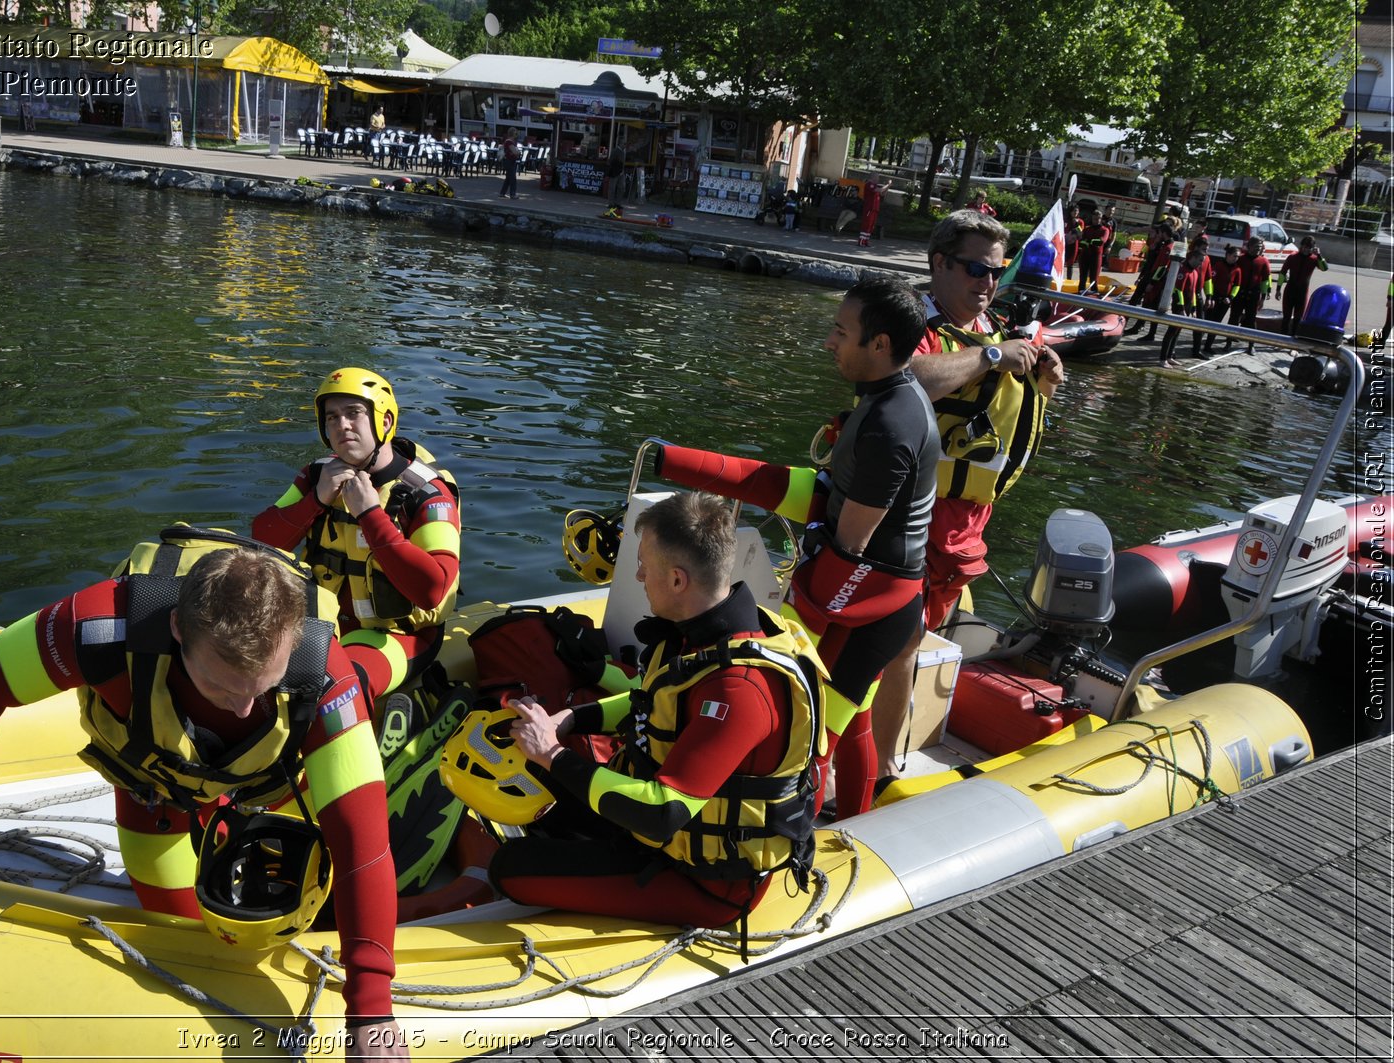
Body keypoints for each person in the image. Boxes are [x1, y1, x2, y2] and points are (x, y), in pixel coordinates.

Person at [0, 531, 408, 1058]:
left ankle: (410, 649)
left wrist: (371, 1010)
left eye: (264, 686)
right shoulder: (100, 626)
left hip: (270, 783)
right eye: (218, 684)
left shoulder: (321, 672)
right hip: (153, 783)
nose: (243, 706)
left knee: (364, 689)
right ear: (178, 629)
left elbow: (363, 847)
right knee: (175, 929)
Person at [651, 276, 939, 816]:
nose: (829, 341)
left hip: (869, 604)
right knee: (851, 724)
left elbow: (849, 544)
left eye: (840, 330)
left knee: (809, 735)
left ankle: (802, 850)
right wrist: (681, 462)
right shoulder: (889, 394)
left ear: (879, 344)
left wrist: (792, 625)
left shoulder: (889, 427)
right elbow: (825, 496)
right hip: (886, 597)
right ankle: (857, 825)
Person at [488, 491, 826, 929]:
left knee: (511, 868)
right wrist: (569, 720)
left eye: (646, 563)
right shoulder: (700, 634)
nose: (639, 573)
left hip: (707, 881)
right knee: (545, 803)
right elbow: (648, 706)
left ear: (678, 581)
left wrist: (553, 753)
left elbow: (663, 813)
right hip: (663, 835)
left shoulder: (738, 689)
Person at [868, 209, 1063, 787]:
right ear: (940, 264)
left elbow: (1017, 422)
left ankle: (891, 745)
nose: (987, 284)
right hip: (905, 519)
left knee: (916, 641)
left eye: (995, 273)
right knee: (891, 647)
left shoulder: (993, 330)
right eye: (976, 269)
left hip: (965, 529)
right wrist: (995, 356)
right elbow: (905, 381)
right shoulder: (915, 327)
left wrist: (1045, 380)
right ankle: (874, 769)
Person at [252, 369, 460, 714]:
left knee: (336, 686)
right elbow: (261, 541)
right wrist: (315, 500)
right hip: (322, 624)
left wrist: (370, 515)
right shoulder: (315, 477)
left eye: (354, 413)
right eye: (331, 417)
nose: (342, 425)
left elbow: (433, 588)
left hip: (398, 635)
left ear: (385, 419)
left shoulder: (428, 494)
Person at [1159, 243, 1207, 368]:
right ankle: (1163, 358)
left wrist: (1194, 308)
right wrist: (1180, 308)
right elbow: (1178, 290)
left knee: (1177, 332)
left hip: (1188, 305)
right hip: (1179, 305)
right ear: (1193, 258)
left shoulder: (1194, 272)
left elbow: (1194, 292)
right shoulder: (1183, 270)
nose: (1201, 264)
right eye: (1200, 260)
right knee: (1171, 331)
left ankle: (1170, 356)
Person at [1226, 236, 1272, 352]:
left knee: (1251, 320)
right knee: (1233, 318)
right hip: (1239, 294)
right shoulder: (1241, 259)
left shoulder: (1263, 261)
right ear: (1249, 246)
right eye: (1256, 246)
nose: (1258, 249)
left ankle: (1251, 345)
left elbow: (1265, 280)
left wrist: (1263, 297)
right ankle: (1228, 342)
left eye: (1260, 247)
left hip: (1254, 295)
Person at [1278, 235, 1328, 335]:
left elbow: (1324, 268)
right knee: (1286, 317)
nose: (1305, 249)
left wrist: (1319, 255)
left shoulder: (1314, 259)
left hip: (1302, 292)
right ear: (1301, 246)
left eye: (1308, 247)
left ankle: (1293, 342)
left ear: (1313, 248)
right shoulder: (1293, 257)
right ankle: (1282, 340)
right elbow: (1283, 272)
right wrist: (1278, 289)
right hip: (1290, 290)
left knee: (1298, 318)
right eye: (1304, 246)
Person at [1199, 245, 1241, 356]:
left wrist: (1231, 297)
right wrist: (1210, 297)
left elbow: (1237, 285)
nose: (1236, 258)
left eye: (1237, 257)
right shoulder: (1218, 265)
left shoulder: (1237, 269)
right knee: (1206, 322)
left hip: (1225, 301)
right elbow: (1211, 281)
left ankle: (1208, 346)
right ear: (1227, 255)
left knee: (1217, 324)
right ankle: (1197, 345)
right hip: (1214, 298)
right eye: (1234, 256)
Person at [1076, 204, 1110, 294]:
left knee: (1094, 278)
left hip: (1096, 256)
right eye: (1095, 218)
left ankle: (1094, 294)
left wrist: (1088, 242)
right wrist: (1087, 242)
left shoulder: (1105, 230)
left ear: (1101, 219)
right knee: (1082, 277)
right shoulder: (1087, 229)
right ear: (1092, 218)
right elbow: (1081, 242)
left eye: (1098, 218)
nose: (1096, 220)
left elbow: (1101, 241)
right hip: (1084, 256)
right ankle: (1080, 293)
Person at [857, 176, 890, 247]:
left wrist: (888, 187)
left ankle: (866, 241)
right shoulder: (869, 184)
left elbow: (882, 193)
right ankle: (861, 241)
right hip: (869, 209)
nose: (878, 179)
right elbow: (880, 190)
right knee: (866, 225)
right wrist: (887, 184)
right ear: (873, 177)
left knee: (871, 226)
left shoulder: (875, 186)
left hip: (874, 209)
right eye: (877, 177)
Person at [498, 127, 520, 200]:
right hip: (509, 162)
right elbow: (515, 152)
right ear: (512, 133)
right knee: (513, 178)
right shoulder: (509, 142)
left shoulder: (512, 141)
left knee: (508, 178)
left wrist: (517, 153)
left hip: (510, 161)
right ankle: (512, 194)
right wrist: (518, 152)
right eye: (515, 132)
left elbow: (515, 152)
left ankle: (502, 193)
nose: (517, 134)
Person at [605, 141, 626, 207]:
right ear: (620, 144)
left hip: (621, 172)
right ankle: (611, 203)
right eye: (624, 144)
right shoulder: (615, 151)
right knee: (612, 188)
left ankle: (618, 203)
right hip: (615, 172)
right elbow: (610, 161)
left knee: (621, 188)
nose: (625, 146)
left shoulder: (622, 152)